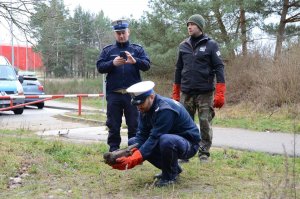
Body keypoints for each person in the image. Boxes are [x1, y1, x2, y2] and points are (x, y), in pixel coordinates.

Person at [111, 81, 201, 187]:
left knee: (165, 140)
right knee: (134, 141)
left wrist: (135, 159)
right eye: (136, 104)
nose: (138, 107)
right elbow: (141, 137)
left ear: (151, 97)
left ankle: (169, 176)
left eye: (141, 103)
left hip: (189, 143)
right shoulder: (144, 110)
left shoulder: (165, 109)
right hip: (168, 140)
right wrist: (127, 153)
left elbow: (155, 137)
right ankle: (173, 169)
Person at [172, 14, 226, 162]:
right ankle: (185, 152)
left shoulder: (211, 45)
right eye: (188, 25)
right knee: (184, 123)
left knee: (204, 123)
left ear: (200, 27)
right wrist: (176, 92)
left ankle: (203, 153)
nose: (189, 27)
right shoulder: (183, 46)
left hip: (205, 93)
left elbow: (219, 67)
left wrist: (220, 92)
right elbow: (178, 69)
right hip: (186, 92)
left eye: (192, 24)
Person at [96, 19, 151, 152]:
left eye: (123, 32)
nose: (121, 36)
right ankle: (113, 150)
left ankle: (133, 151)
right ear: (115, 34)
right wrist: (112, 63)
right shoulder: (108, 51)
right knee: (113, 125)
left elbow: (147, 65)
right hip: (114, 94)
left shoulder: (137, 50)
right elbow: (99, 67)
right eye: (118, 33)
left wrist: (134, 61)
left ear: (128, 32)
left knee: (134, 125)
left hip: (133, 95)